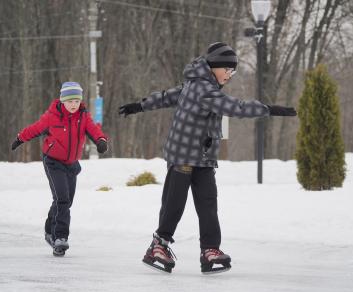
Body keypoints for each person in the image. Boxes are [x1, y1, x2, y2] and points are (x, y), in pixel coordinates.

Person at [119, 42, 296, 274]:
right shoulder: (203, 90)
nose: (230, 75)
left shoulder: (196, 85)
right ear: (215, 66)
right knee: (175, 203)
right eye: (228, 70)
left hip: (202, 157)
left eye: (233, 71)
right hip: (183, 154)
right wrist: (270, 109)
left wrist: (139, 106)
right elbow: (236, 107)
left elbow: (165, 97)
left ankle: (210, 250)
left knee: (208, 203)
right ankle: (158, 245)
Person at [11, 82, 108, 256]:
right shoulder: (52, 116)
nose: (73, 105)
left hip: (71, 164)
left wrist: (101, 140)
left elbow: (94, 129)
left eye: (77, 101)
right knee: (62, 199)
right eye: (70, 101)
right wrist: (20, 138)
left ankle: (50, 228)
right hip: (53, 162)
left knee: (65, 201)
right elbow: (35, 129)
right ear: (63, 101)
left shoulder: (83, 116)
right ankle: (60, 238)